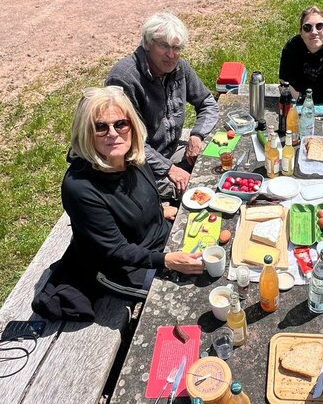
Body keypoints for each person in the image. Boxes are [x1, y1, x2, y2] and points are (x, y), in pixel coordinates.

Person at [34, 87, 203, 318]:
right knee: (190, 297)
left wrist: (158, 211)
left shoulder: (131, 156)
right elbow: (115, 250)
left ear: (132, 126)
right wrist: (166, 261)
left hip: (159, 240)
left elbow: (135, 200)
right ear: (86, 132)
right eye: (100, 127)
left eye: (121, 124)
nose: (113, 133)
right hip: (122, 268)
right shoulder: (80, 188)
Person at [106, 12, 218, 198]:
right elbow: (127, 141)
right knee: (197, 190)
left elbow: (207, 102)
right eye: (164, 46)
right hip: (138, 164)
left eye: (176, 47)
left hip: (171, 151)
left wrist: (197, 135)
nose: (171, 55)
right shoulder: (124, 78)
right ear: (147, 43)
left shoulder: (180, 67)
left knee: (217, 163)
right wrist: (169, 169)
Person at [279, 5, 323, 105]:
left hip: (321, 105)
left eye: (319, 26)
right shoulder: (291, 47)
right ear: (301, 33)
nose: (314, 32)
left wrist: (299, 96)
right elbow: (285, 83)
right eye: (307, 27)